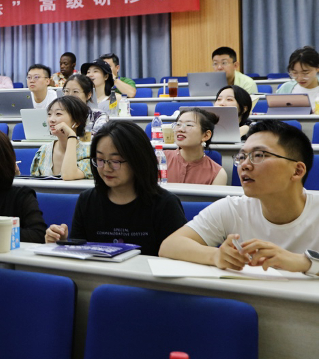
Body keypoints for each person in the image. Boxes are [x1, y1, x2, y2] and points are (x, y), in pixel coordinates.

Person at [160, 120, 318, 276]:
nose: (245, 165)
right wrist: (216, 255)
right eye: (242, 157)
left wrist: (305, 263)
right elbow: (170, 245)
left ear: (297, 171)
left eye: (259, 155)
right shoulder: (233, 208)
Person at [44, 121, 186, 255]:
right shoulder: (87, 200)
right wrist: (62, 244)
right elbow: (80, 254)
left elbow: (177, 257)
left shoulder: (165, 204)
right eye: (100, 160)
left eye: (115, 161)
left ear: (138, 159)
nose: (106, 168)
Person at [30, 96, 93, 180]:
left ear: (77, 122)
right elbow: (34, 182)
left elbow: (68, 175)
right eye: (49, 114)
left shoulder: (89, 153)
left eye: (58, 114)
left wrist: (71, 135)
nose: (51, 119)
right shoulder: (43, 150)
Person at [165, 108, 227, 185]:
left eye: (189, 125)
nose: (180, 129)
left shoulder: (218, 174)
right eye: (178, 124)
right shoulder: (160, 158)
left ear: (206, 135)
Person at [276, 46, 318, 113]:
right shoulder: (285, 89)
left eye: (305, 73)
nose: (300, 78)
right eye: (294, 73)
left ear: (317, 68)